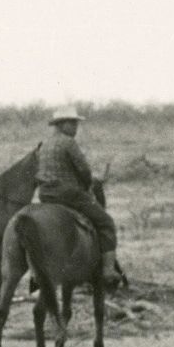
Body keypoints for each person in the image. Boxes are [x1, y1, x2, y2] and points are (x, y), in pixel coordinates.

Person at [36, 107, 122, 285]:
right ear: (61, 125)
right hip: (68, 194)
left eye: (76, 123)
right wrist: (88, 184)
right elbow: (84, 170)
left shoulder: (44, 144)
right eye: (72, 123)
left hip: (45, 195)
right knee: (106, 222)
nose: (75, 127)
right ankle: (107, 271)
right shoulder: (68, 142)